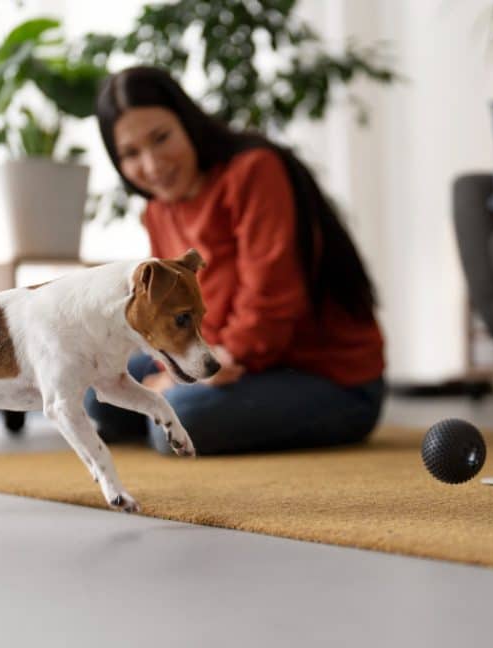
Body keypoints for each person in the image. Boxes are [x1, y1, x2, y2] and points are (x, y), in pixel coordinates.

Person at [85, 65, 385, 455]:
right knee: (98, 393)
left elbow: (273, 305)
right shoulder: (158, 211)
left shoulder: (254, 170)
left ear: (188, 123)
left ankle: (163, 415)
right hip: (226, 360)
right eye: (131, 153)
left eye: (161, 138)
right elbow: (168, 317)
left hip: (329, 379)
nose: (153, 165)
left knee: (176, 422)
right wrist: (176, 367)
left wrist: (181, 378)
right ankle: (167, 410)